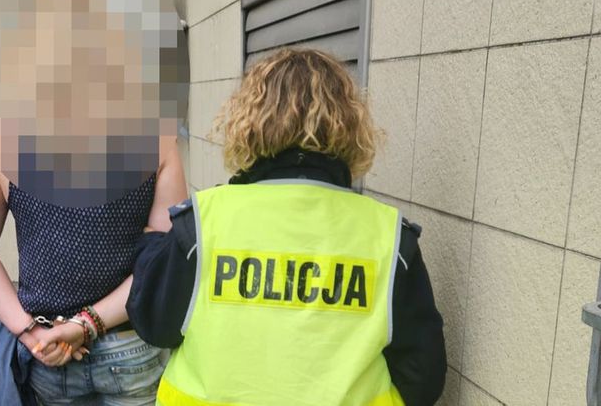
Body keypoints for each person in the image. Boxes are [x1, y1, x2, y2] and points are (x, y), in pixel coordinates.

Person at [127, 48, 446, 406]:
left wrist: (152, 244)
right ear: (349, 125)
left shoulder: (202, 224)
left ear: (248, 122)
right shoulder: (389, 237)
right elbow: (423, 376)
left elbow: (154, 324)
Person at [0, 0, 189, 405]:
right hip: (130, 343)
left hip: (48, 350)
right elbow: (163, 259)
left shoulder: (3, 143)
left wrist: (30, 332)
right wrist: (87, 324)